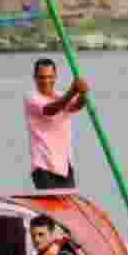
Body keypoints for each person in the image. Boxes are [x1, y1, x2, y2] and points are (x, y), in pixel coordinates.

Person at [25, 57, 89, 190]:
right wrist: (72, 91)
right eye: (42, 77)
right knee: (52, 209)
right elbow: (50, 110)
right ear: (35, 77)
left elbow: (76, 107)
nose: (46, 81)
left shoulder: (60, 96)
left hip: (65, 166)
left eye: (50, 77)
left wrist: (83, 93)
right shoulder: (31, 97)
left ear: (55, 77)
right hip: (44, 168)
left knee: (69, 208)